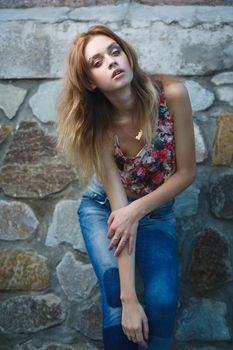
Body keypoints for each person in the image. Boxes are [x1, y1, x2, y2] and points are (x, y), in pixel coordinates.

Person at [56, 25, 196, 350]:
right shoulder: (98, 127)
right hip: (103, 208)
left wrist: (137, 209)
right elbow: (119, 211)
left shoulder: (171, 94)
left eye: (114, 51)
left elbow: (187, 172)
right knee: (117, 295)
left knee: (162, 301)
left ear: (127, 54)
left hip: (155, 214)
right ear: (91, 81)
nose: (111, 62)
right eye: (97, 62)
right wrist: (130, 301)